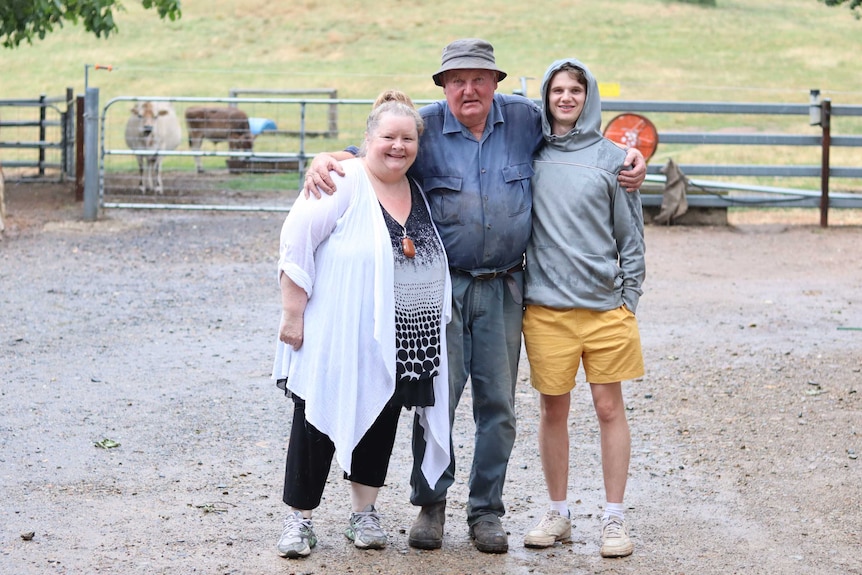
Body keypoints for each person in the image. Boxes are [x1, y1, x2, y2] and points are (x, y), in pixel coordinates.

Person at [303, 38, 647, 554]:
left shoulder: (525, 121)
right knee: (434, 400)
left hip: (507, 287)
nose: (469, 89)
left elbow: (576, 136)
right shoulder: (424, 128)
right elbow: (373, 151)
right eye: (457, 79)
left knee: (498, 408)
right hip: (442, 286)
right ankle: (430, 504)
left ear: (495, 83)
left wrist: (632, 158)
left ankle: (486, 511)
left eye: (479, 79)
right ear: (443, 86)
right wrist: (324, 158)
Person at [272, 96, 452, 558]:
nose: (397, 146)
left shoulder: (414, 188)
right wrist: (292, 314)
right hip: (337, 329)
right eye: (388, 137)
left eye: (407, 138)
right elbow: (296, 240)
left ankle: (363, 513)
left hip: (399, 338)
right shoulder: (344, 180)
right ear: (366, 140)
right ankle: (299, 520)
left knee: (380, 417)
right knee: (315, 418)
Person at [521, 58, 645, 559]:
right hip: (547, 309)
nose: (566, 97)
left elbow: (630, 237)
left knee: (608, 407)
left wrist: (628, 299)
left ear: (588, 95)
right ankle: (559, 513)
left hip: (604, 310)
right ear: (546, 96)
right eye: (557, 89)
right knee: (553, 409)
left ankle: (614, 518)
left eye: (576, 89)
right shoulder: (529, 155)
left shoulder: (614, 159)